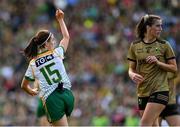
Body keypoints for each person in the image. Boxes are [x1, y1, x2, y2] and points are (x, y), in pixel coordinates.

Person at [21, 9, 74, 126]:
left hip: (52, 99)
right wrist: (60, 20)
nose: (54, 42)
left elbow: (23, 85)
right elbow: (66, 37)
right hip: (67, 94)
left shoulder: (33, 63)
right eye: (52, 41)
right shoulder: (57, 53)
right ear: (45, 44)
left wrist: (31, 91)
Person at [127, 14, 177, 126]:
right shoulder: (135, 46)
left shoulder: (164, 45)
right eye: (158, 26)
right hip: (142, 91)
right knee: (154, 125)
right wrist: (132, 75)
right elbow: (131, 68)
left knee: (144, 124)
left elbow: (174, 68)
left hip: (160, 90)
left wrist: (158, 62)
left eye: (161, 26)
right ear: (148, 27)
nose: (161, 29)